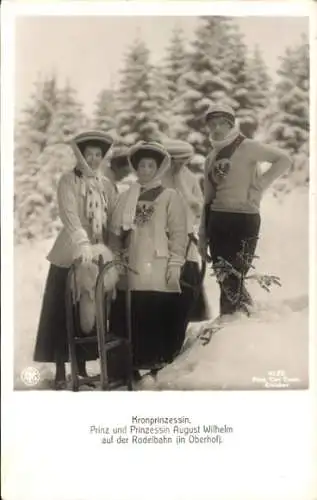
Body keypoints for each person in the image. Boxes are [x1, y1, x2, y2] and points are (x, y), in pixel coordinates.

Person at [33, 130, 118, 389]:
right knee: (63, 311)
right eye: (88, 154)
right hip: (71, 250)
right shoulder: (69, 180)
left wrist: (112, 246)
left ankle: (81, 366)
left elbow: (112, 218)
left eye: (97, 155)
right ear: (80, 155)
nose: (93, 159)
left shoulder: (105, 185)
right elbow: (69, 214)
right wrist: (82, 244)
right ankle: (60, 369)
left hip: (97, 254)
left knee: (90, 310)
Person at [198, 104, 292, 317]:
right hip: (218, 219)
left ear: (231, 124)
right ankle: (231, 321)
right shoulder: (211, 158)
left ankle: (247, 317)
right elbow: (207, 199)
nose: (216, 128)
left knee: (236, 274)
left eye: (221, 123)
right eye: (212, 124)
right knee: (224, 275)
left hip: (245, 218)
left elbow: (284, 160)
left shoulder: (248, 147)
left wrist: (259, 185)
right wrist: (202, 236)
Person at [108, 141, 188, 380]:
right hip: (131, 266)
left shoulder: (170, 196)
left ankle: (157, 364)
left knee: (155, 312)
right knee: (131, 314)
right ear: (135, 167)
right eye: (141, 165)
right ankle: (128, 367)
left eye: (150, 166)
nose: (144, 170)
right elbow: (114, 234)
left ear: (159, 168)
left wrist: (175, 264)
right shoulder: (125, 198)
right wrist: (117, 260)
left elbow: (178, 233)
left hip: (158, 266)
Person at [162, 138, 209, 322]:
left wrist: (187, 196)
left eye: (182, 162)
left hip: (187, 240)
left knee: (190, 283)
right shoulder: (157, 176)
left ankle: (193, 322)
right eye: (174, 162)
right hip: (163, 241)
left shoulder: (189, 178)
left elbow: (199, 207)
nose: (177, 166)